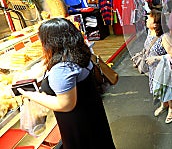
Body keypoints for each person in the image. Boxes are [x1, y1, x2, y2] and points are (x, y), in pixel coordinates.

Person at [18, 18, 115, 149]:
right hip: (92, 117)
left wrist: (30, 94)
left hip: (78, 126)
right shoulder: (80, 53)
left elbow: (65, 104)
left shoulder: (62, 68)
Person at [144, 9, 172, 124]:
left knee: (167, 88)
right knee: (159, 88)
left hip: (163, 68)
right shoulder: (149, 33)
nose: (147, 20)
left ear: (155, 24)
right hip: (153, 69)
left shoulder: (165, 37)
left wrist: (156, 58)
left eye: (149, 18)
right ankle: (164, 104)